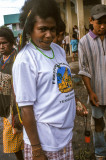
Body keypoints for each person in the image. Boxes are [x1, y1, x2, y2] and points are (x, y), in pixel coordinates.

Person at [12, 0, 88, 159]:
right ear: (29, 29)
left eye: (52, 29)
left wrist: (74, 101)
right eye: (42, 29)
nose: (49, 34)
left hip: (65, 137)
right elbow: (26, 108)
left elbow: (61, 84)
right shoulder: (25, 60)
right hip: (45, 143)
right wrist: (37, 150)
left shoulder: (58, 50)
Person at [78, 4, 106, 160]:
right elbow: (84, 70)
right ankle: (101, 153)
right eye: (99, 22)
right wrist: (90, 92)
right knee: (98, 124)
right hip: (97, 93)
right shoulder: (84, 42)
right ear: (91, 20)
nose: (103, 26)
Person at [0, 26, 24, 160]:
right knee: (14, 142)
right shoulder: (1, 59)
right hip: (6, 109)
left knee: (23, 140)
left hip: (18, 109)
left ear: (11, 42)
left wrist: (18, 111)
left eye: (4, 43)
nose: (1, 46)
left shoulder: (17, 59)